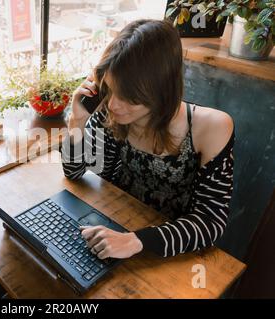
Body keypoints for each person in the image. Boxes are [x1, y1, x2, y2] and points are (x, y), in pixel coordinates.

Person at [61, 19, 234, 259]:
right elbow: (75, 172)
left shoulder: (212, 127)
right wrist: (76, 122)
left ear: (162, 89)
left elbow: (210, 223)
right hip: (112, 224)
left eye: (128, 96)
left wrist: (135, 241)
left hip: (169, 249)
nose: (113, 104)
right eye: (110, 88)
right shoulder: (110, 111)